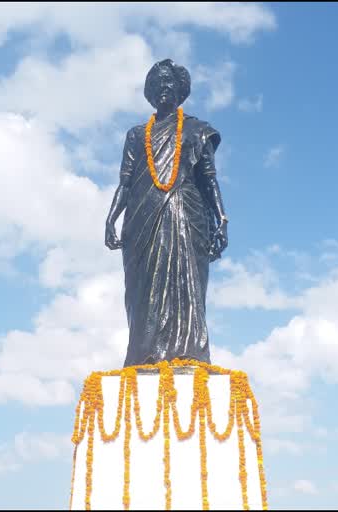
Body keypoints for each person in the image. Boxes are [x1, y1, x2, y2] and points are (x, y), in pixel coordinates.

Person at [105, 59, 229, 367]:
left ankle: (190, 352)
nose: (164, 88)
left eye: (170, 82)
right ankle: (145, 353)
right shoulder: (137, 135)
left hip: (187, 214)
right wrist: (111, 218)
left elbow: (209, 180)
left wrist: (222, 221)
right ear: (149, 91)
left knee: (187, 284)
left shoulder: (197, 131)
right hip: (142, 217)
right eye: (157, 83)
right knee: (144, 289)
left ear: (181, 90)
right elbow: (125, 180)